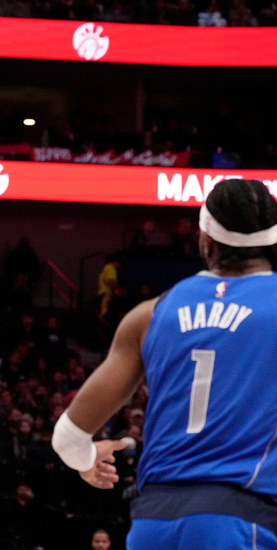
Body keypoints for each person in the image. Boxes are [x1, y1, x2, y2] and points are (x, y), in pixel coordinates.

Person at [52, 179, 277, 549]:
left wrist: (87, 458)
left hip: (153, 523)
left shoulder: (151, 313)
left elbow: (67, 438)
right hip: (240, 519)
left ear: (205, 239)